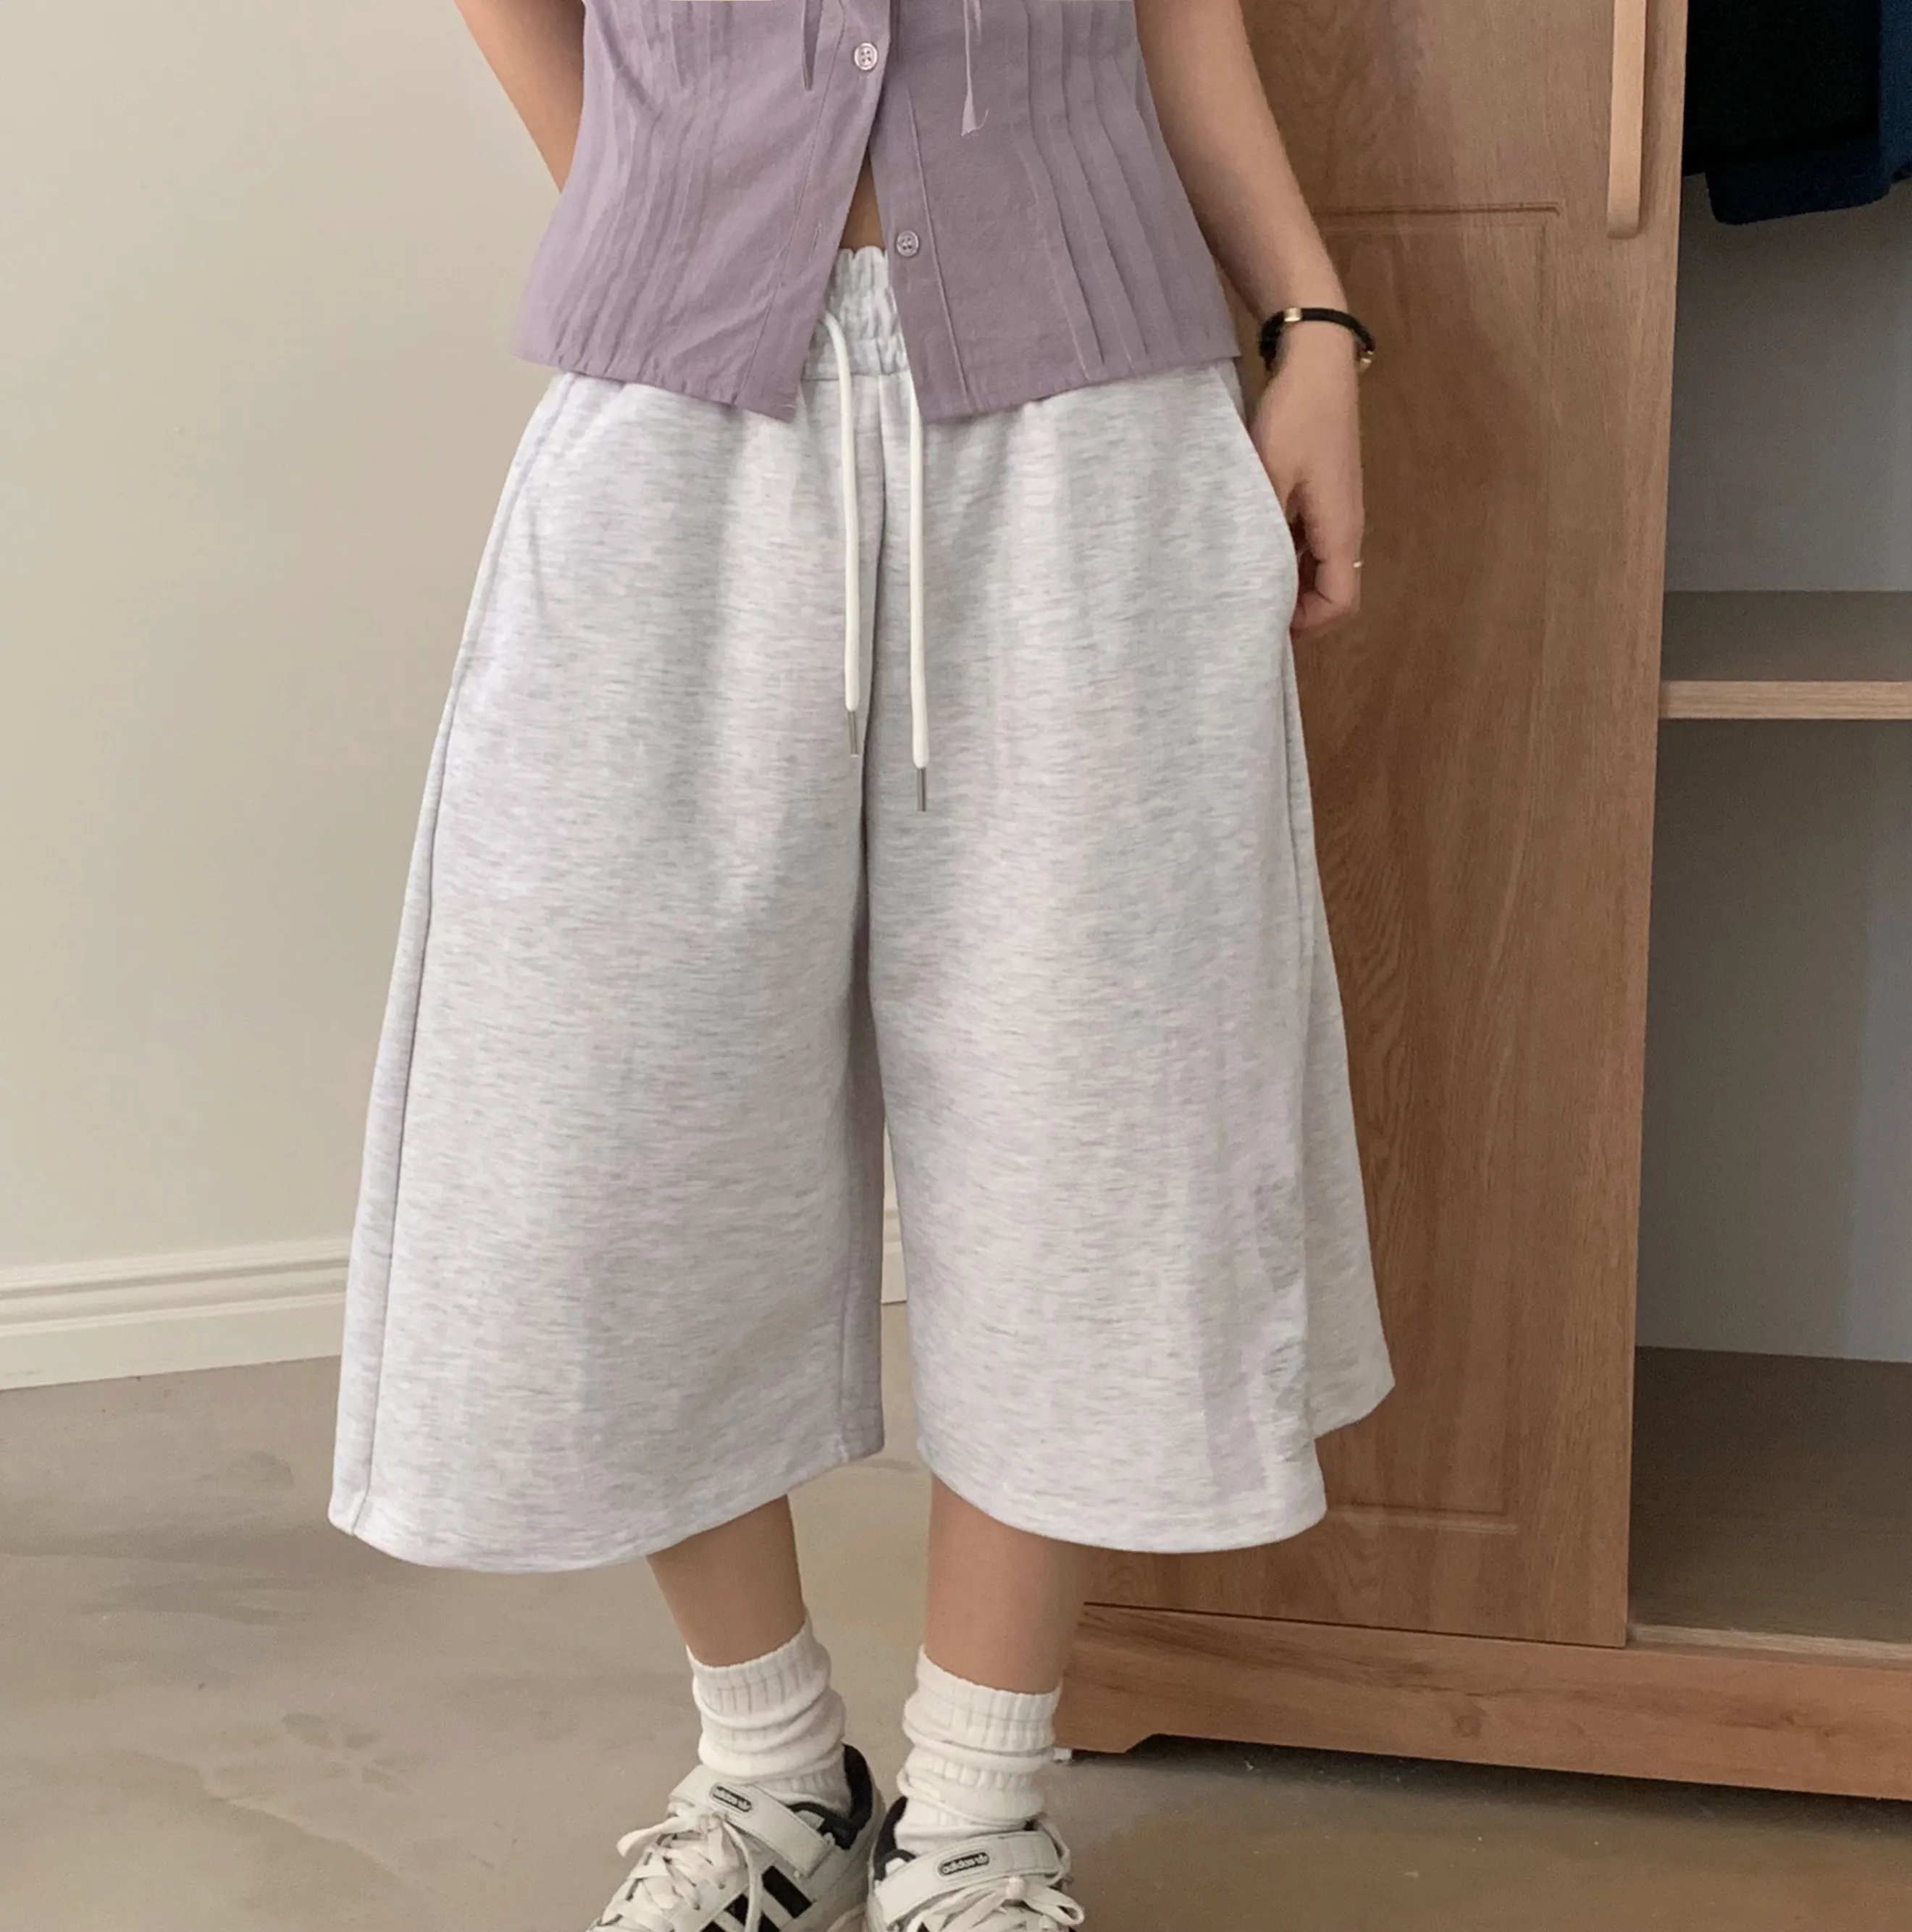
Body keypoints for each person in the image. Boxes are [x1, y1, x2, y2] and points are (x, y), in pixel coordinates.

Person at [328, 2, 1393, 1927]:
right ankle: (771, 1777)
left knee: (1093, 1115)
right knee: (613, 1114)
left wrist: (1312, 324)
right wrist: (689, 216)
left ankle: (975, 1814)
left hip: (1097, 423)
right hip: (676, 412)